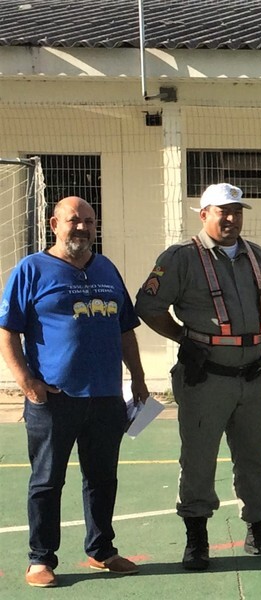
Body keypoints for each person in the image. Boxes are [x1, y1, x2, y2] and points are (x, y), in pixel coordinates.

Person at [135, 183, 261, 571]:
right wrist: (182, 338)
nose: (231, 218)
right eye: (223, 211)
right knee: (199, 459)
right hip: (206, 379)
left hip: (253, 377)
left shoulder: (258, 256)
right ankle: (197, 538)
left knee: (255, 459)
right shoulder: (180, 258)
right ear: (204, 214)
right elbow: (148, 305)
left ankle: (258, 530)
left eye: (237, 211)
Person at [0, 196, 147, 587]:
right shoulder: (31, 269)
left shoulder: (106, 268)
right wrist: (27, 382)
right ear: (54, 224)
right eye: (73, 220)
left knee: (102, 478)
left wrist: (138, 377)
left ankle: (102, 550)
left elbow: (125, 329)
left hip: (106, 396)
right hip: (53, 398)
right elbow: (7, 331)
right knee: (47, 481)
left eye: (89, 221)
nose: (82, 227)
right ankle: (40, 559)